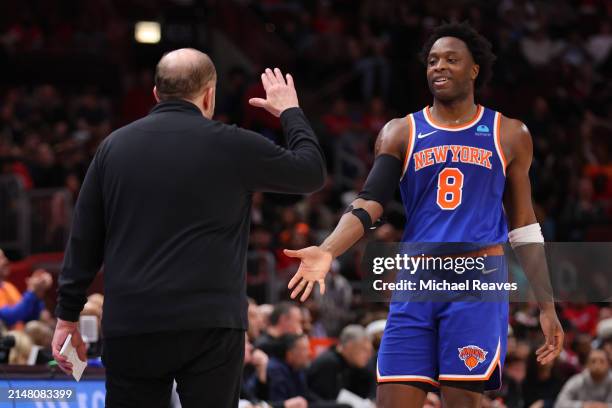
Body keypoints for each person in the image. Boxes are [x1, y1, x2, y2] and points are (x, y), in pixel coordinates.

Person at [284, 22, 563, 408]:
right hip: (416, 280)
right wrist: (329, 250)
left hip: (476, 282)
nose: (439, 67)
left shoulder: (509, 133)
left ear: (474, 69)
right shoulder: (401, 131)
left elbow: (524, 227)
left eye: (451, 59)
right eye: (433, 61)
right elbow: (370, 202)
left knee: (461, 402)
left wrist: (547, 306)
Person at [51, 48, 326, 408]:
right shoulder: (233, 144)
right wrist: (289, 110)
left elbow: (84, 237)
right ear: (209, 94)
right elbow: (311, 172)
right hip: (210, 324)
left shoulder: (112, 148)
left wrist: (67, 315)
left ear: (155, 93)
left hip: (134, 322)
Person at [307, 324, 375, 400]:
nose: (369, 356)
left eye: (370, 351)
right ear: (350, 346)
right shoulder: (328, 364)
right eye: (364, 350)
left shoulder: (354, 365)